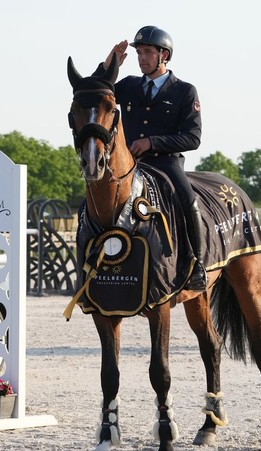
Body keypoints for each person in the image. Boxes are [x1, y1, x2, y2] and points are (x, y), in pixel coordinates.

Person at [95, 26, 206, 291]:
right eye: (139, 53)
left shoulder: (185, 91)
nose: (141, 58)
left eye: (147, 52)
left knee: (187, 199)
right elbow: (96, 92)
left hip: (166, 163)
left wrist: (151, 142)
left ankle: (195, 263)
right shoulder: (129, 85)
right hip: (130, 165)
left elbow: (193, 137)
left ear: (163, 55)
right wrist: (108, 66)